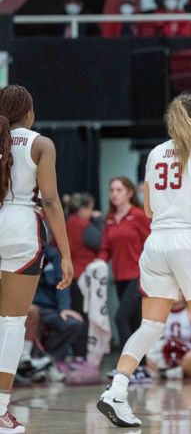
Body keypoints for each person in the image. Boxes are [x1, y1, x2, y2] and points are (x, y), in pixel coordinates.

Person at [97, 94, 191, 427]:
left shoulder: (154, 153)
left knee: (149, 326)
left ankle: (117, 390)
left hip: (156, 242)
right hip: (188, 240)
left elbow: (147, 209)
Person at [0, 86, 73, 432]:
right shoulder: (41, 144)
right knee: (12, 323)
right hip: (21, 227)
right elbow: (52, 202)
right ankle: (0, 410)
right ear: (28, 112)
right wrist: (67, 256)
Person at [98, 177, 150, 354]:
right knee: (134, 322)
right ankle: (140, 368)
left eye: (119, 190)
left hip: (138, 276)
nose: (114, 194)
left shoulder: (139, 215)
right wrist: (97, 262)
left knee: (120, 318)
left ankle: (124, 366)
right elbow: (105, 248)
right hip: (120, 277)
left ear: (129, 192)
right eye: (112, 190)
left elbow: (149, 244)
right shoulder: (110, 218)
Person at [144, 295, 191, 378]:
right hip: (168, 352)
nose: (176, 293)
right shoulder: (161, 312)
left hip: (188, 350)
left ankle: (171, 373)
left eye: (179, 290)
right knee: (150, 351)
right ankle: (171, 373)